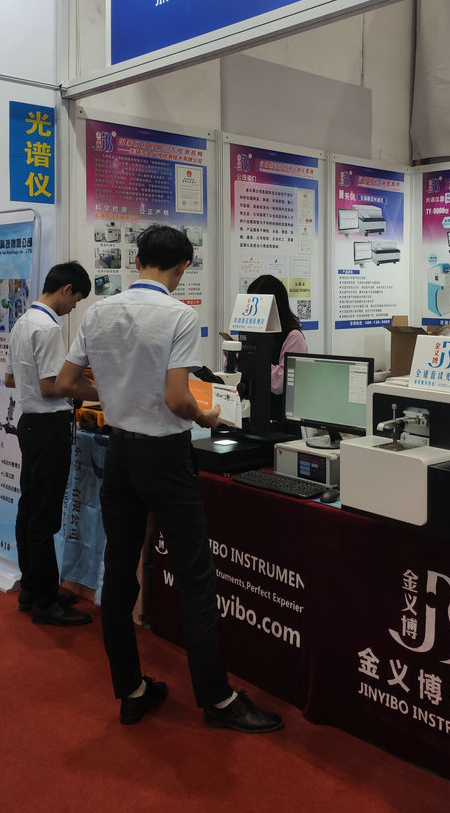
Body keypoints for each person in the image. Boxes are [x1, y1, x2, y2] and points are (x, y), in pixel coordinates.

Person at [55, 225, 283, 734]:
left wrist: (116, 392)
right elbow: (179, 399)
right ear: (181, 268)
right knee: (195, 576)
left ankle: (131, 690)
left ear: (137, 260)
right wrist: (207, 416)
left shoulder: (98, 312)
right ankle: (217, 699)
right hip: (165, 455)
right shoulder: (180, 315)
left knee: (119, 572)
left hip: (120, 453)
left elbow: (67, 382)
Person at [5, 261, 98, 626]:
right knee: (43, 516)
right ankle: (45, 601)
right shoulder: (47, 327)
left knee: (30, 508)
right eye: (76, 299)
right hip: (47, 427)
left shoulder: (23, 322)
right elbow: (52, 386)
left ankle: (32, 588)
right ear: (66, 289)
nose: (74, 307)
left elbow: (12, 379)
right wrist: (101, 391)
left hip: (30, 425)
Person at [245, 274, 307, 421]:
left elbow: (282, 384)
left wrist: (253, 360)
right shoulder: (252, 331)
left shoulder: (293, 336)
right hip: (251, 411)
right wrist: (234, 358)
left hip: (279, 419)